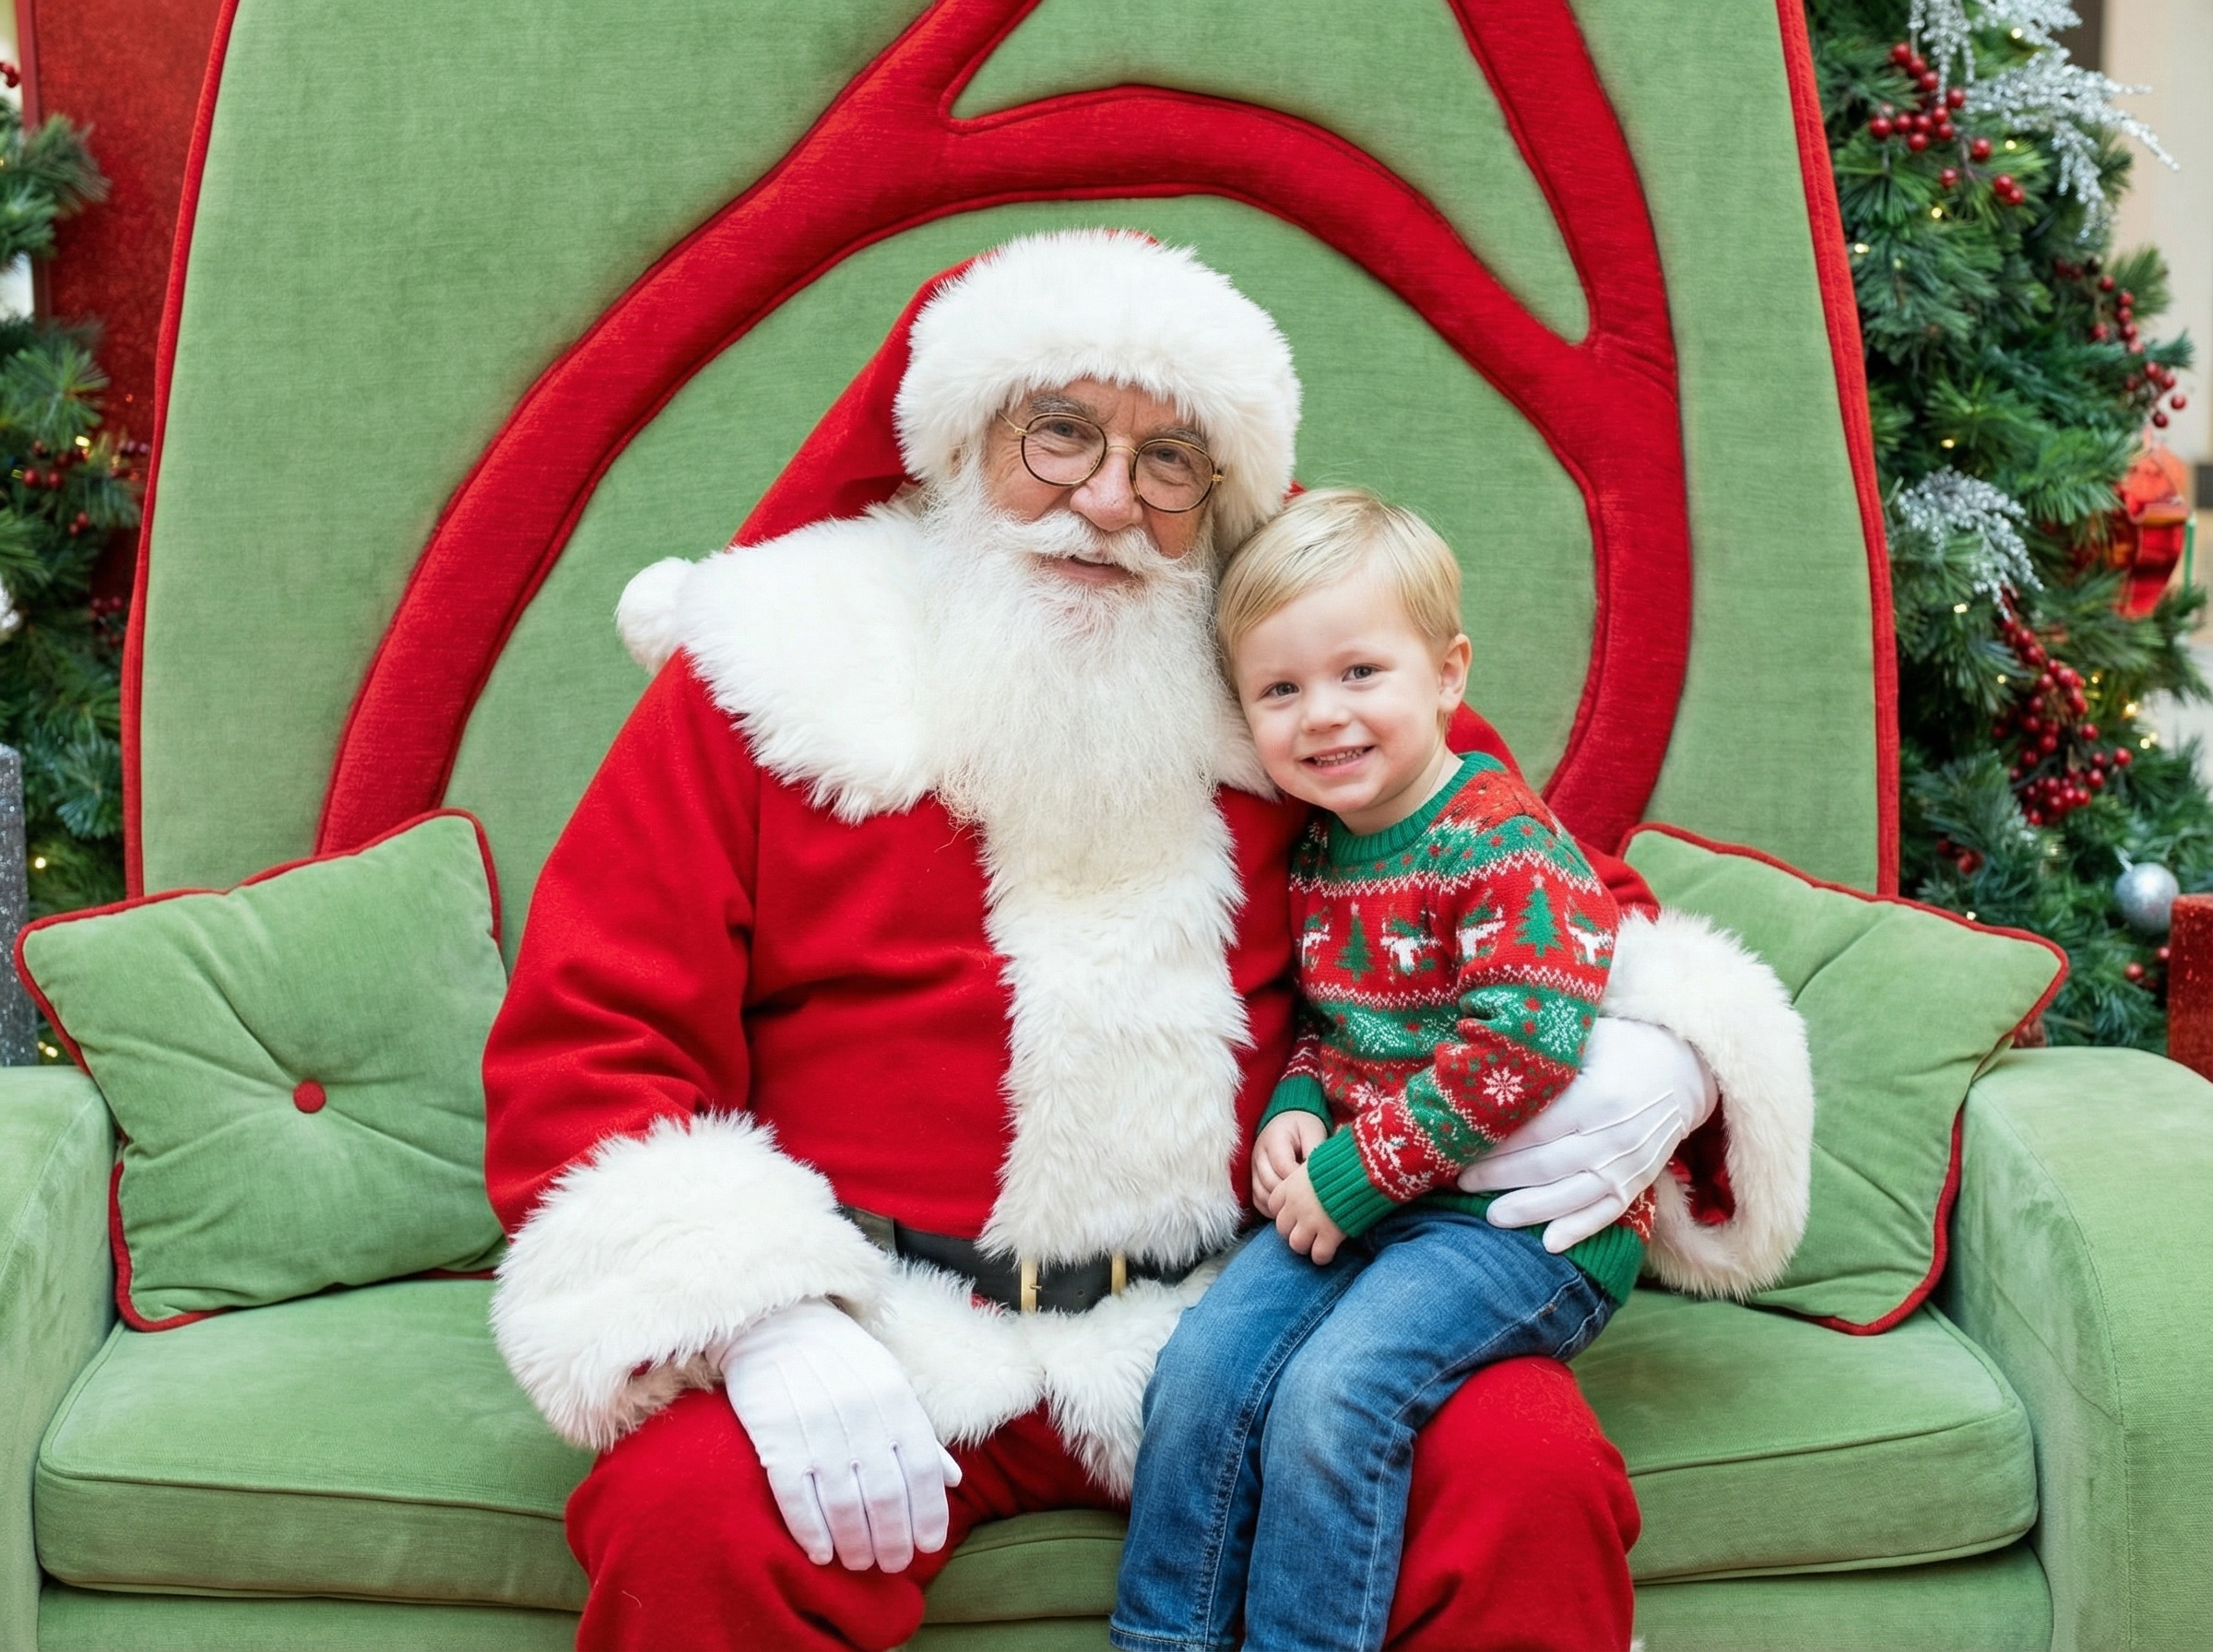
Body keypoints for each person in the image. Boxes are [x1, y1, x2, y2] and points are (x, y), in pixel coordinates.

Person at [480, 228, 1815, 1652]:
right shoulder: (773, 675)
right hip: (881, 1314)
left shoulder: (1286, 685)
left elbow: (1550, 883)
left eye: (1169, 461)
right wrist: (763, 1319)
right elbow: (592, 1042)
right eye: (1060, 435)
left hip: (1263, 1299)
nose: (1110, 501)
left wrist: (1664, 1059)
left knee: (1523, 1473)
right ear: (956, 443)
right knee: (689, 1518)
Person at [1114, 488, 1636, 1652]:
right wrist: (1300, 1105)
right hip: (1370, 1194)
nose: (1323, 718)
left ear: (1448, 674)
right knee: (1200, 1368)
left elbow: (1526, 1035)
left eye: (1361, 673)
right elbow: (1342, 1024)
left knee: (1334, 1394)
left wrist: (1352, 1176)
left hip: (1514, 1226)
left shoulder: (1500, 837)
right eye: (1280, 690)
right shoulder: (1320, 850)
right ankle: (1166, 1639)